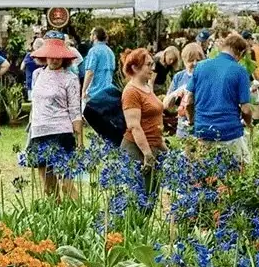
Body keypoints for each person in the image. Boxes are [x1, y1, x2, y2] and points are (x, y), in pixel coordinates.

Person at [25, 36, 83, 199]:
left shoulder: (70, 78)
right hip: (39, 131)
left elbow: (75, 111)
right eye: (51, 56)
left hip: (61, 132)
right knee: (48, 187)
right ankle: (54, 212)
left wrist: (79, 140)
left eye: (59, 57)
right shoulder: (37, 74)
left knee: (67, 184)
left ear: (64, 58)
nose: (55, 60)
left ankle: (78, 212)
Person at [191, 31, 255, 159]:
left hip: (202, 131)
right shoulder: (240, 71)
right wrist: (249, 124)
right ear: (241, 53)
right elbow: (246, 109)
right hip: (229, 132)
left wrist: (192, 120)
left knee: (204, 168)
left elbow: (188, 100)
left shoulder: (200, 66)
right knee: (243, 165)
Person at [119, 48, 163, 180]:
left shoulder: (146, 87)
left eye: (152, 64)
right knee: (140, 190)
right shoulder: (131, 92)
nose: (152, 68)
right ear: (135, 68)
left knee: (153, 190)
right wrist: (147, 154)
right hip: (137, 150)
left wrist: (163, 147)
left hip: (153, 146)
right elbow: (134, 126)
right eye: (148, 65)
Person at [166, 41, 204, 138]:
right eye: (191, 60)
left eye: (198, 60)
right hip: (182, 130)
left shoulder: (207, 77)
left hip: (202, 130)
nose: (195, 63)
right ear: (184, 61)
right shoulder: (179, 77)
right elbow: (166, 105)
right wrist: (177, 92)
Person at [81, 27, 118, 103]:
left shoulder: (93, 51)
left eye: (91, 34)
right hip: (108, 92)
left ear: (95, 36)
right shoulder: (110, 52)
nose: (90, 36)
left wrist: (84, 90)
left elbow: (90, 73)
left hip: (95, 93)